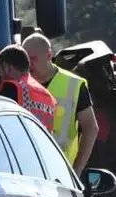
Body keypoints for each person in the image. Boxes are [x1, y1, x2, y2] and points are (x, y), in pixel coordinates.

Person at [23, 33, 100, 176]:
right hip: (27, 170)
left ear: (48, 55)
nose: (29, 64)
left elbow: (91, 128)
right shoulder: (19, 84)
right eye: (25, 59)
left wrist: (77, 171)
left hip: (62, 171)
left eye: (33, 59)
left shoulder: (74, 85)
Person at [0, 44, 57, 132]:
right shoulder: (49, 97)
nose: (1, 77)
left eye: (1, 72)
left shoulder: (12, 87)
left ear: (7, 68)